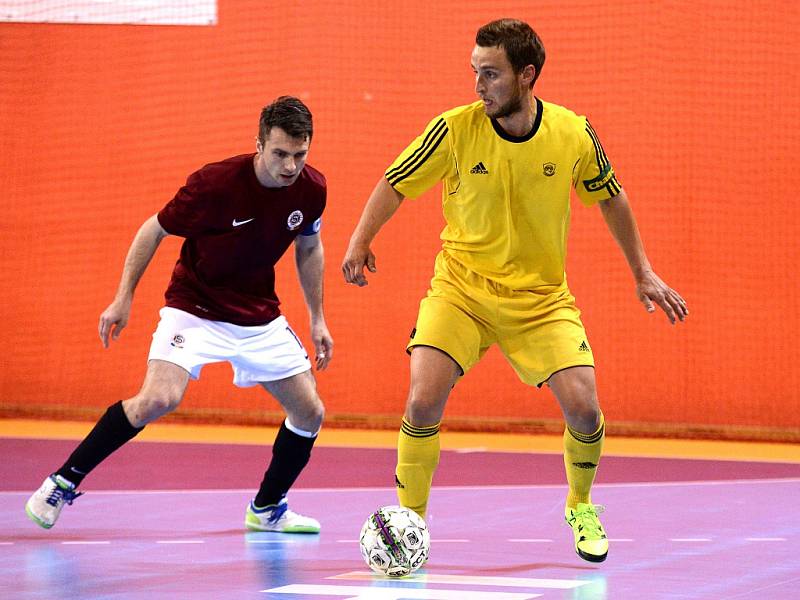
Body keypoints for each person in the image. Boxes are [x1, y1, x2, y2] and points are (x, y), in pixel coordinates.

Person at [342, 19, 688, 563]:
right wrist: (360, 240)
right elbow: (394, 181)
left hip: (542, 301)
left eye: (491, 74)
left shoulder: (573, 133)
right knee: (422, 398)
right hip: (461, 290)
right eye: (475, 72)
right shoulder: (453, 130)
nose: (479, 85)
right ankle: (410, 524)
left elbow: (611, 197)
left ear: (527, 75)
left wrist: (642, 271)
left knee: (584, 408)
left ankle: (580, 504)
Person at [26, 96, 333, 534]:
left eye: (299, 155)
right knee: (158, 399)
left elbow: (309, 246)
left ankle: (267, 508)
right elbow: (154, 229)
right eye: (280, 154)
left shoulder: (313, 189)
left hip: (258, 316)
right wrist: (122, 298)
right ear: (259, 144)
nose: (289, 166)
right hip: (195, 308)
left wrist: (317, 318)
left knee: (310, 413)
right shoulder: (215, 184)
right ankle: (61, 482)